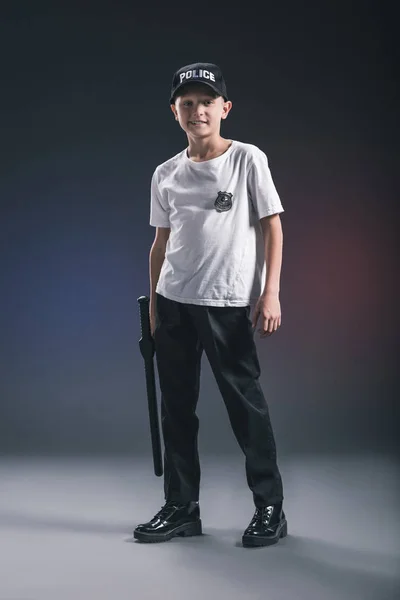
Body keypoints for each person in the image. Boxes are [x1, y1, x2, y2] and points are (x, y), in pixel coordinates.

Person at [133, 62, 287, 548]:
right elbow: (160, 244)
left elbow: (272, 226)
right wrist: (156, 307)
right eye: (187, 103)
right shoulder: (166, 173)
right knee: (176, 409)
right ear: (174, 111)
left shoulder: (246, 160)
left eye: (206, 101)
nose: (197, 110)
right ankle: (182, 507)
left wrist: (271, 291)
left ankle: (269, 508)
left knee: (246, 406)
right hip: (173, 301)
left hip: (225, 302)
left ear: (225, 108)